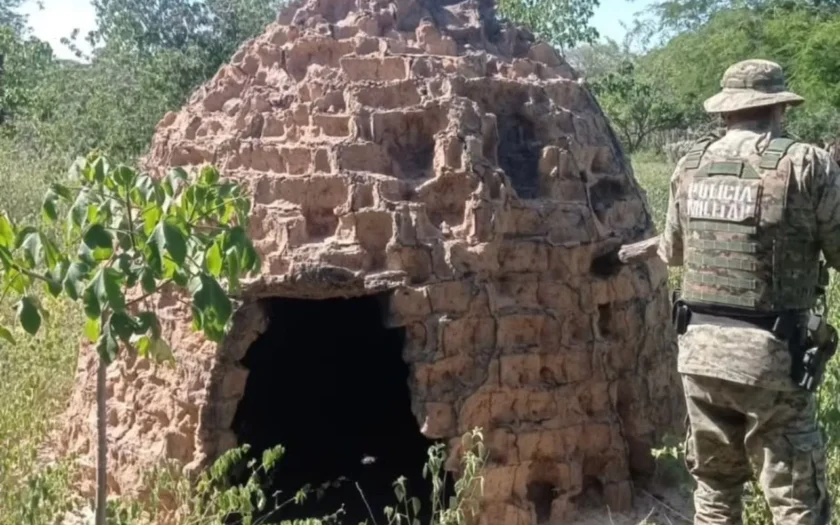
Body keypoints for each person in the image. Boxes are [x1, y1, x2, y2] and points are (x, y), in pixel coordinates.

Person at [593, 59, 840, 524]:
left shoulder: (690, 165)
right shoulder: (807, 163)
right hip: (771, 358)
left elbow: (673, 252)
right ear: (779, 109)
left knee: (714, 491)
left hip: (699, 355)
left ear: (726, 112)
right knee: (796, 501)